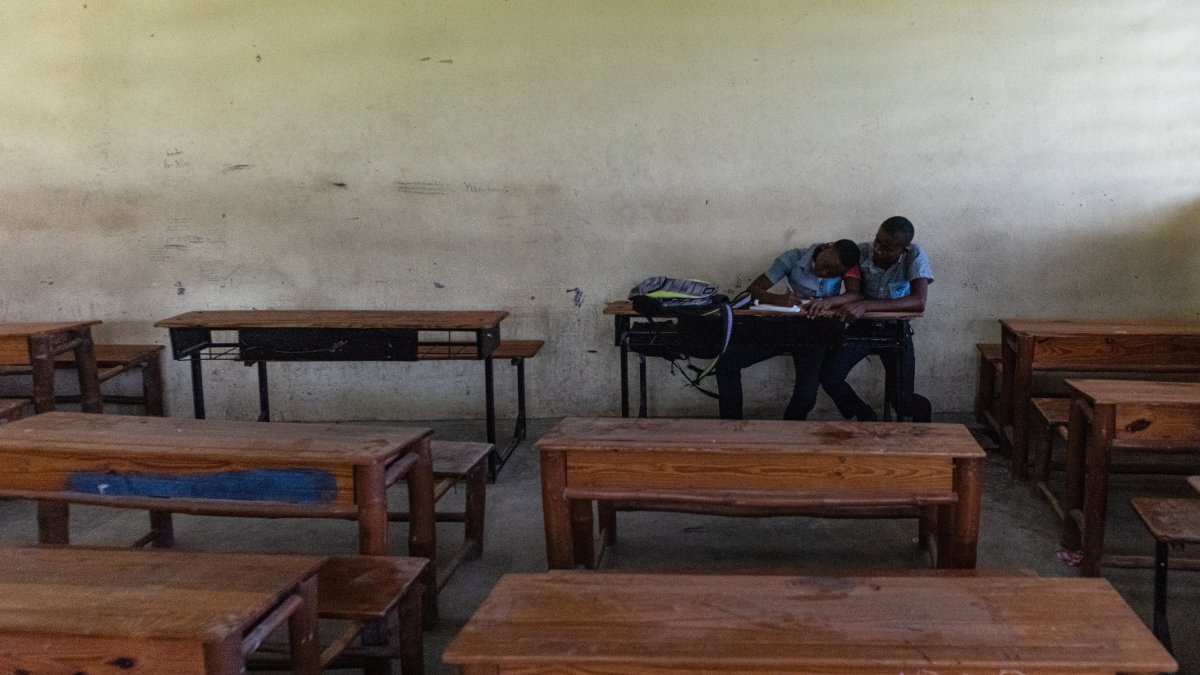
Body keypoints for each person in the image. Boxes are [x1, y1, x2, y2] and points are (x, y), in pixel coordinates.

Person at [716, 239, 861, 420]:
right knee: (727, 363)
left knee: (806, 398)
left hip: (816, 334)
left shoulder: (848, 265)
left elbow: (854, 294)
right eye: (824, 266)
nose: (823, 272)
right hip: (785, 327)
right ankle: (730, 426)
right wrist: (776, 299)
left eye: (831, 274)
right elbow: (752, 290)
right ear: (827, 247)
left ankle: (787, 432)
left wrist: (828, 302)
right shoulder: (794, 258)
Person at [806, 216, 933, 422]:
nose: (878, 250)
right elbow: (854, 293)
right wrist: (841, 303)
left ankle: (924, 428)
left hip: (896, 331)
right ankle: (864, 415)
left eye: (888, 247)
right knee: (830, 376)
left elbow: (918, 301)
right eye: (878, 241)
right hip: (862, 329)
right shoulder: (860, 253)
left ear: (904, 249)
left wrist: (867, 305)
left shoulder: (915, 255)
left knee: (902, 401)